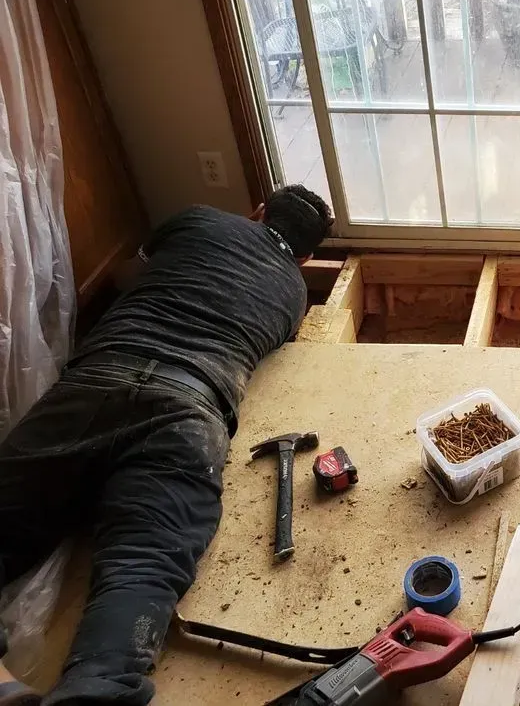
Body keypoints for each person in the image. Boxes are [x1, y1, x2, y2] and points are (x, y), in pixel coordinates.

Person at [0, 185, 332, 706]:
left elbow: (135, 274)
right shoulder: (294, 291)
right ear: (309, 255)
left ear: (257, 211)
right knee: (145, 560)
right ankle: (97, 687)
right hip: (189, 409)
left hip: (97, 380)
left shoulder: (196, 217)